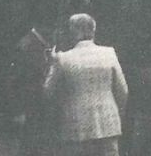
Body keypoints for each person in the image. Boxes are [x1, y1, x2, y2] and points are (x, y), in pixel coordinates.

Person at [38, 13, 129, 156]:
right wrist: (118, 113)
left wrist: (51, 65)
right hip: (108, 123)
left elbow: (47, 91)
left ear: (72, 32)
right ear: (93, 30)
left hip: (75, 125)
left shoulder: (63, 58)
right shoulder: (109, 53)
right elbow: (122, 90)